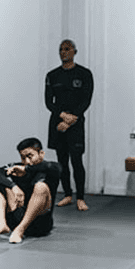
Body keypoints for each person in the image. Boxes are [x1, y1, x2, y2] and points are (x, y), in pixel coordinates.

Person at [45, 39, 94, 211]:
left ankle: (80, 197)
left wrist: (72, 119)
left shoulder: (84, 74)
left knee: (76, 160)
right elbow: (49, 102)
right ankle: (67, 194)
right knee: (62, 161)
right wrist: (62, 116)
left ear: (75, 52)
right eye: (61, 49)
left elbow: (86, 100)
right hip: (58, 123)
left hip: (76, 123)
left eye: (67, 49)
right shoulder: (52, 75)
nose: (63, 52)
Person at [0, 137, 60, 243]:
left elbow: (55, 167)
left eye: (30, 156)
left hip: (40, 224)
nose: (26, 161)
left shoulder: (51, 169)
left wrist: (26, 169)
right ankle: (2, 224)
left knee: (41, 187)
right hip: (16, 219)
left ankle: (20, 230)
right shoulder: (17, 167)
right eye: (23, 157)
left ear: (41, 154)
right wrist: (13, 186)